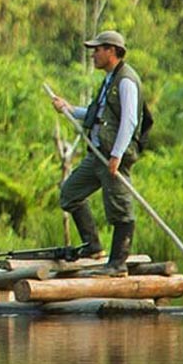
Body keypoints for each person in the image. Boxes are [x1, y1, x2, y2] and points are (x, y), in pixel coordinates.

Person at [48, 29, 143, 276]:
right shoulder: (109, 79)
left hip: (112, 156)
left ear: (111, 51)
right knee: (69, 194)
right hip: (97, 155)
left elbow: (130, 121)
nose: (93, 55)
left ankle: (118, 263)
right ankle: (93, 247)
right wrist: (68, 109)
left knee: (120, 208)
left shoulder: (126, 80)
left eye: (97, 50)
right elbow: (98, 114)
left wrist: (117, 154)